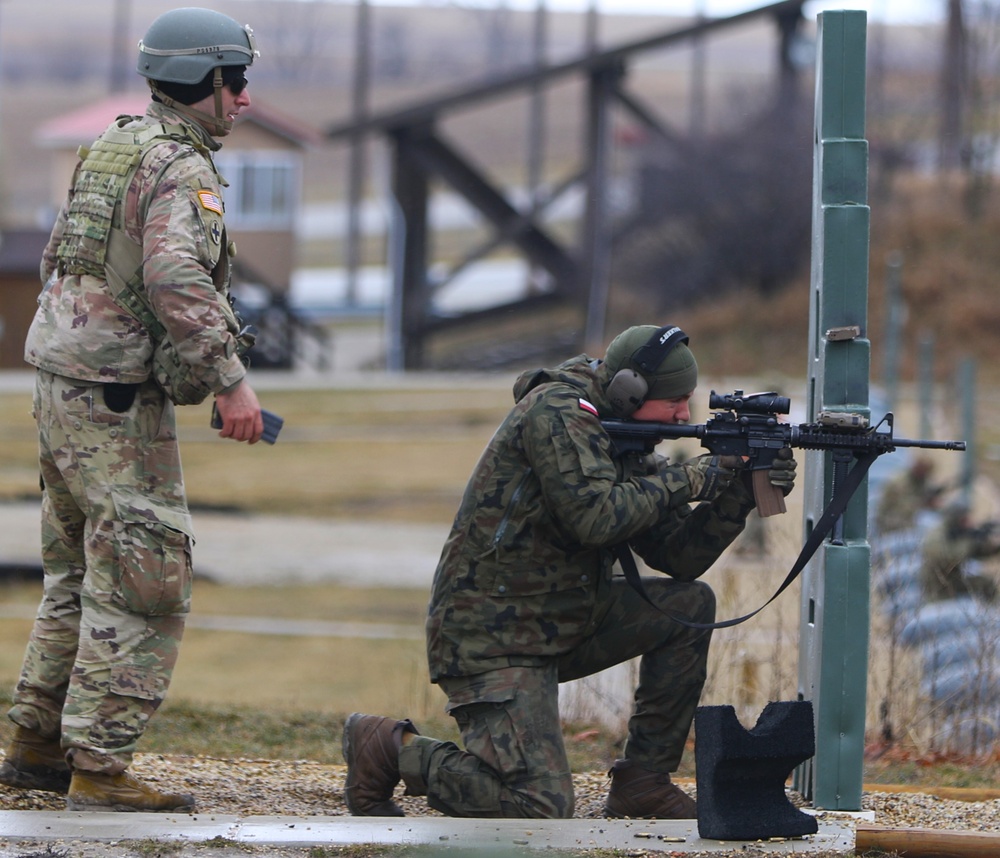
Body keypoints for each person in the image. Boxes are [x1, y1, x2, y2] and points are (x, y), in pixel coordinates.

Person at [342, 324, 797, 820]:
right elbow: (596, 516)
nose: (684, 415)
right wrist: (691, 478)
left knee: (688, 604)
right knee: (538, 807)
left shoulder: (625, 438)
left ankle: (643, 781)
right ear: (630, 390)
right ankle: (391, 747)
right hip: (493, 636)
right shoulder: (557, 412)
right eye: (676, 401)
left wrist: (737, 496)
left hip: (561, 621)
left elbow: (679, 558)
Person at [0, 8, 263, 813]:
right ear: (203, 81)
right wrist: (231, 380)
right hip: (114, 400)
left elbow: (57, 259)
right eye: (237, 81)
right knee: (148, 575)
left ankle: (37, 744)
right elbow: (174, 278)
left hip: (62, 379)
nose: (244, 99)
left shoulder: (112, 148)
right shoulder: (180, 168)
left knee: (78, 572)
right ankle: (99, 767)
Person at [919, 500, 1000, 604]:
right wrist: (971, 542)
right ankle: (992, 617)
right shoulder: (936, 538)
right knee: (985, 584)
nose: (969, 523)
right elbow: (952, 557)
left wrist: (993, 546)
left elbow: (978, 552)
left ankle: (993, 614)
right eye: (964, 520)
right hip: (939, 590)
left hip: (951, 581)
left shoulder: (956, 532)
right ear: (955, 519)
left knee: (986, 583)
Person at [874, 456, 943, 536]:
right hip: (892, 523)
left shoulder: (922, 482)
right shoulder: (899, 482)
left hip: (910, 523)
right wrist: (923, 503)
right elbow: (901, 506)